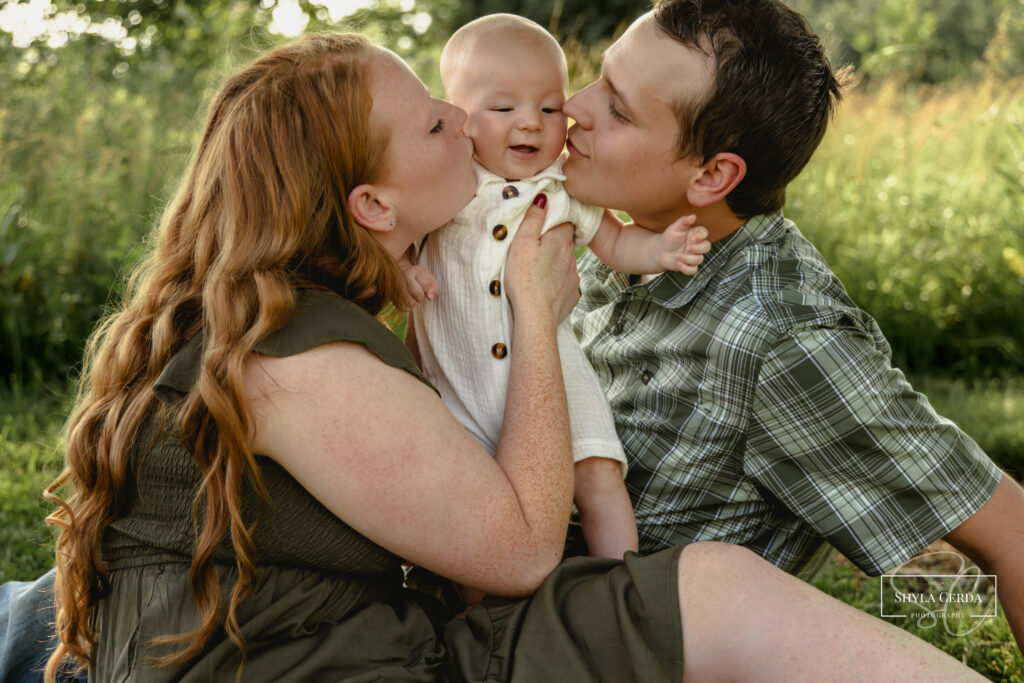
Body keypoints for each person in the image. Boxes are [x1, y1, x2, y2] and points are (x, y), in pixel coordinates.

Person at [0, 27, 989, 683]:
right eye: (435, 122)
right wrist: (532, 310)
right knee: (713, 586)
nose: (472, 125)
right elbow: (517, 550)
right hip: (345, 663)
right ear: (373, 205)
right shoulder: (294, 357)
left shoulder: (285, 304)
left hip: (314, 633)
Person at [565, 0, 1024, 646]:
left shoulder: (780, 338)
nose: (573, 108)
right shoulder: (614, 238)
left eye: (617, 107)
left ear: (712, 175)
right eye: (600, 78)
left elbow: (1013, 532)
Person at [406, 13, 710, 561]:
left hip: (555, 376)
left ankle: (622, 579)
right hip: (460, 382)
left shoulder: (561, 189)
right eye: (504, 109)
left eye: (549, 108)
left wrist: (661, 251)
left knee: (598, 477)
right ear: (457, 115)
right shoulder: (449, 183)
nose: (531, 124)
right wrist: (402, 269)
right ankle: (475, 617)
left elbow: (614, 241)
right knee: (473, 507)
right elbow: (402, 236)